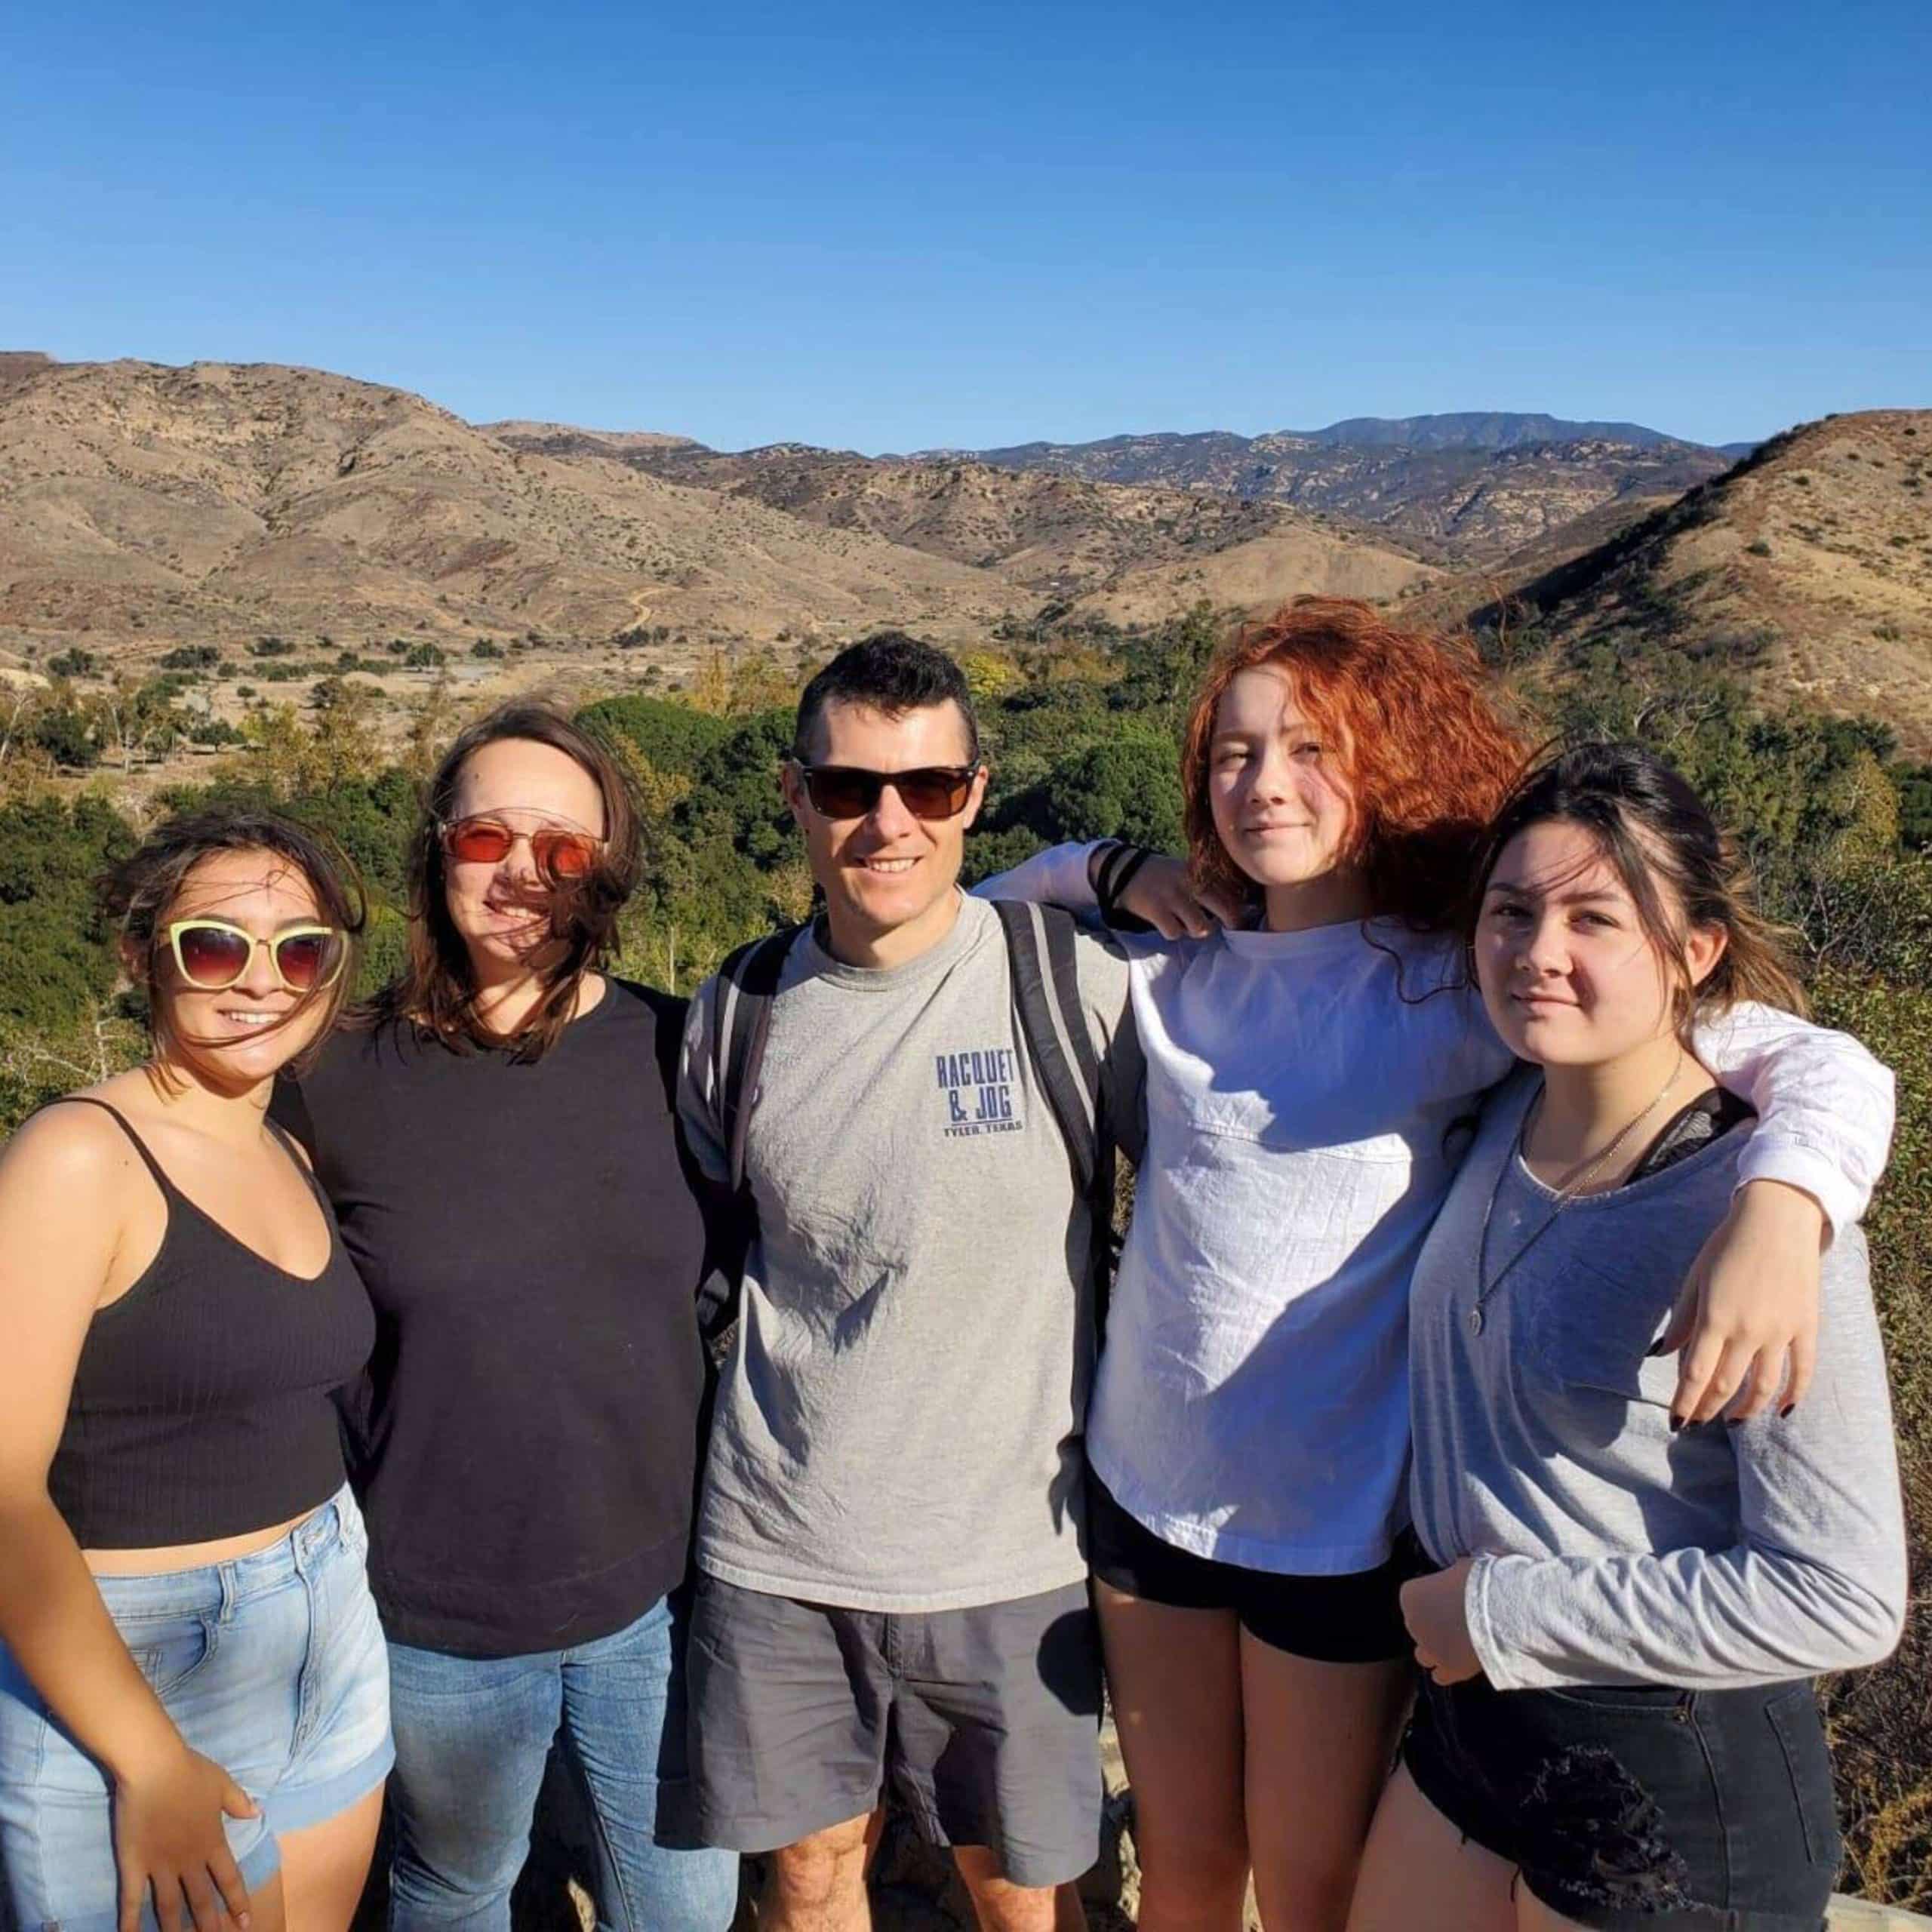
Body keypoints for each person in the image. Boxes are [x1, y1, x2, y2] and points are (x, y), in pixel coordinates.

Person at [977, 599, 1895, 1932]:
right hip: (1146, 1487)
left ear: (1386, 765)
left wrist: (1787, 1198)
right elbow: (947, 933)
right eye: (1233, 755)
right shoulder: (1166, 976)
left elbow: (1797, 1055)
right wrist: (1098, 867)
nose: (1265, 785)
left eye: (1310, 750)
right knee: (1181, 1869)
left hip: (1341, 1525)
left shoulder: (1459, 985)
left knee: (1303, 1889)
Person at [1344, 740, 1908, 1932]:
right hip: (1475, 1732)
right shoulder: (1502, 1105)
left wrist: (1499, 1615)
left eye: (1594, 918)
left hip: (1670, 1779)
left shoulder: (1754, 1216)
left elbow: (1844, 1598)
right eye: (1510, 912)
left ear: (1693, 953)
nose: (1537, 954)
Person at [678, 633, 1141, 1932]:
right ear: (794, 795)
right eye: (849, 789)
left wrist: (1773, 1136)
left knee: (1024, 1896)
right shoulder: (739, 1013)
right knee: (811, 1872)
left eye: (929, 789)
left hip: (1008, 1552)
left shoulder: (1071, 986)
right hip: (778, 1548)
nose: (890, 822)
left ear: (976, 795)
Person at [271, 703, 738, 1932]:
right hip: (438, 1619)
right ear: (437, 851)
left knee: (685, 1901)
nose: (523, 872)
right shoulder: (332, 1077)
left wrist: (1101, 871)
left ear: (608, 872)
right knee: (461, 1890)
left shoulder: (677, 1053)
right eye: (487, 836)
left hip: (659, 1598)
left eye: (565, 850)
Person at [0, 810, 388, 1932]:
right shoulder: (78, 1157)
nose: (259, 982)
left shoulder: (285, 1144)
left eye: (299, 950)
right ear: (142, 957)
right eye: (214, 944)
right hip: (142, 1657)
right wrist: (151, 1762)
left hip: (326, 1620)